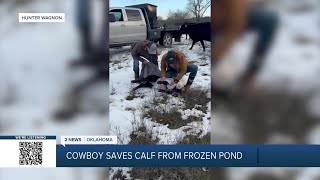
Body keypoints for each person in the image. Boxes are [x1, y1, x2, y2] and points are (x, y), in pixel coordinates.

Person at [213, 0, 279, 95]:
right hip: (219, 21)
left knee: (270, 20)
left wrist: (219, 53)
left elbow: (235, 24)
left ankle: (251, 73)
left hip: (231, 18)